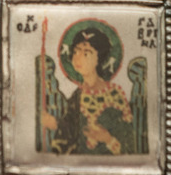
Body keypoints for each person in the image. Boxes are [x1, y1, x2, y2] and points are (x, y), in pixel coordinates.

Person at [39, 21, 139, 156]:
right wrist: (54, 123)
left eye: (86, 53)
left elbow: (129, 145)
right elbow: (69, 129)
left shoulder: (115, 94)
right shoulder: (78, 95)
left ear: (99, 59)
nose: (78, 58)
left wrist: (108, 139)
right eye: (76, 52)